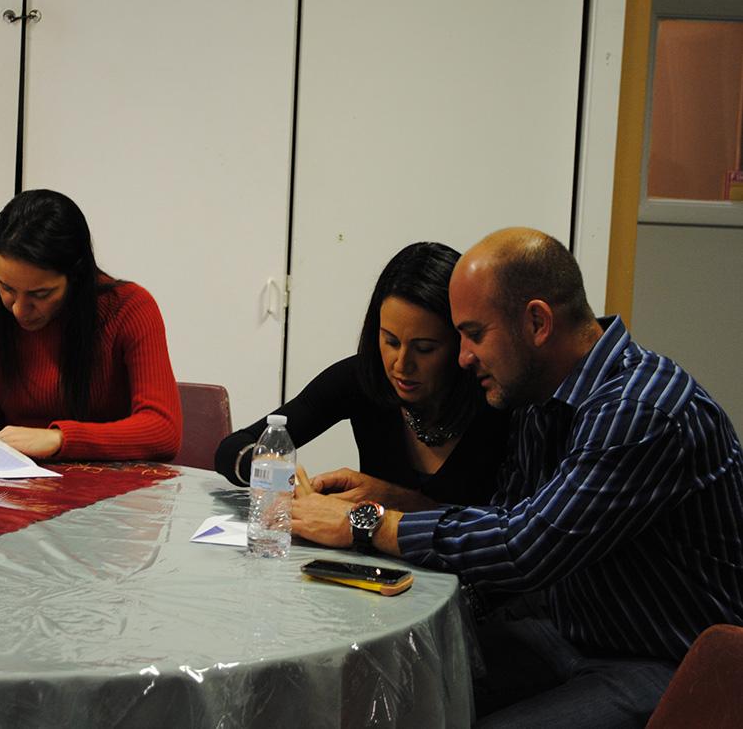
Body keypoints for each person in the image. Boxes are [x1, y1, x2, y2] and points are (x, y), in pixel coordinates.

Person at [294, 228, 743, 727]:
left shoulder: (641, 410)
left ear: (536, 322)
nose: (464, 357)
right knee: (383, 687)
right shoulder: (539, 398)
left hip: (672, 663)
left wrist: (366, 522)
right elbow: (502, 518)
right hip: (574, 632)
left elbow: (524, 546)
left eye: (474, 334)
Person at [216, 242, 509, 520]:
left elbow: (507, 531)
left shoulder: (498, 398)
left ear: (460, 342)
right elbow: (232, 448)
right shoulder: (362, 377)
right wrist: (270, 469)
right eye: (390, 341)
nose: (401, 364)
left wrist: (398, 501)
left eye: (424, 349)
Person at [0, 189, 181, 461]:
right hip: (17, 481)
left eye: (40, 294)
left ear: (76, 277)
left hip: (112, 483)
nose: (19, 309)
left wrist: (58, 438)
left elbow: (162, 430)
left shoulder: (129, 308)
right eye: (6, 287)